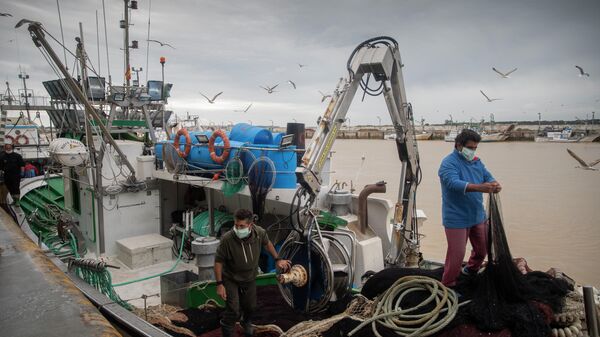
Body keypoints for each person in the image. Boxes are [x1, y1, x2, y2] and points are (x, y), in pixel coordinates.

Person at [438, 129, 501, 287]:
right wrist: (480, 188)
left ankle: (471, 270)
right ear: (459, 145)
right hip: (456, 218)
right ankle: (448, 284)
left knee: (482, 250)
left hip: (477, 216)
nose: (472, 151)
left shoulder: (477, 162)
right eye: (470, 148)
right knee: (457, 255)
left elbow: (488, 177)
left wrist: (494, 184)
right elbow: (453, 183)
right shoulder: (448, 163)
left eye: (475, 148)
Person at [214, 209, 291, 337]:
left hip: (249, 277)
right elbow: (218, 262)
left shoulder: (259, 233)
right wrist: (219, 284)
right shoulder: (227, 239)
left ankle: (246, 322)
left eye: (242, 226)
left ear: (250, 225)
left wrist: (277, 259)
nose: (238, 229)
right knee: (233, 309)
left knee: (251, 307)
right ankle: (227, 328)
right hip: (231, 278)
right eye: (236, 225)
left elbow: (268, 244)